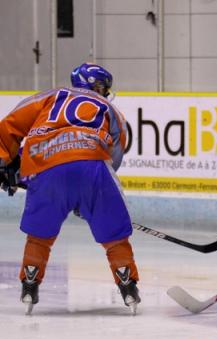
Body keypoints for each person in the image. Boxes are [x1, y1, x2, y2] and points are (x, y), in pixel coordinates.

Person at [0, 63, 141, 315]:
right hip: (93, 168)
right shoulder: (112, 110)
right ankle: (128, 286)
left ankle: (30, 284)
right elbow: (114, 156)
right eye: (101, 87)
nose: (104, 92)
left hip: (45, 165)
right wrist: (87, 200)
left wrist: (3, 162)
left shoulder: (51, 96)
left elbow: (10, 126)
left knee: (39, 234)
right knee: (115, 235)